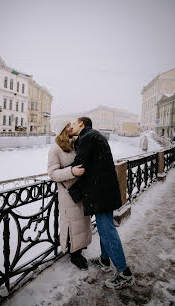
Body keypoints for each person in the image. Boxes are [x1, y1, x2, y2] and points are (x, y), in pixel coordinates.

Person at [70, 116, 134, 289]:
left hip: (100, 192)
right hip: (105, 191)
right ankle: (105, 261)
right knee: (105, 227)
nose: (72, 127)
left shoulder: (87, 138)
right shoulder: (95, 136)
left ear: (81, 124)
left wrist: (67, 170)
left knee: (107, 230)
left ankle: (124, 273)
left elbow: (79, 165)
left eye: (74, 124)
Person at [47, 119, 92, 270]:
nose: (71, 128)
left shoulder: (75, 144)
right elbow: (52, 174)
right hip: (67, 193)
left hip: (80, 189)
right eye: (68, 127)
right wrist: (71, 172)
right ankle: (75, 254)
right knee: (72, 223)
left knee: (82, 221)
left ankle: (80, 248)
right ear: (62, 130)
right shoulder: (55, 149)